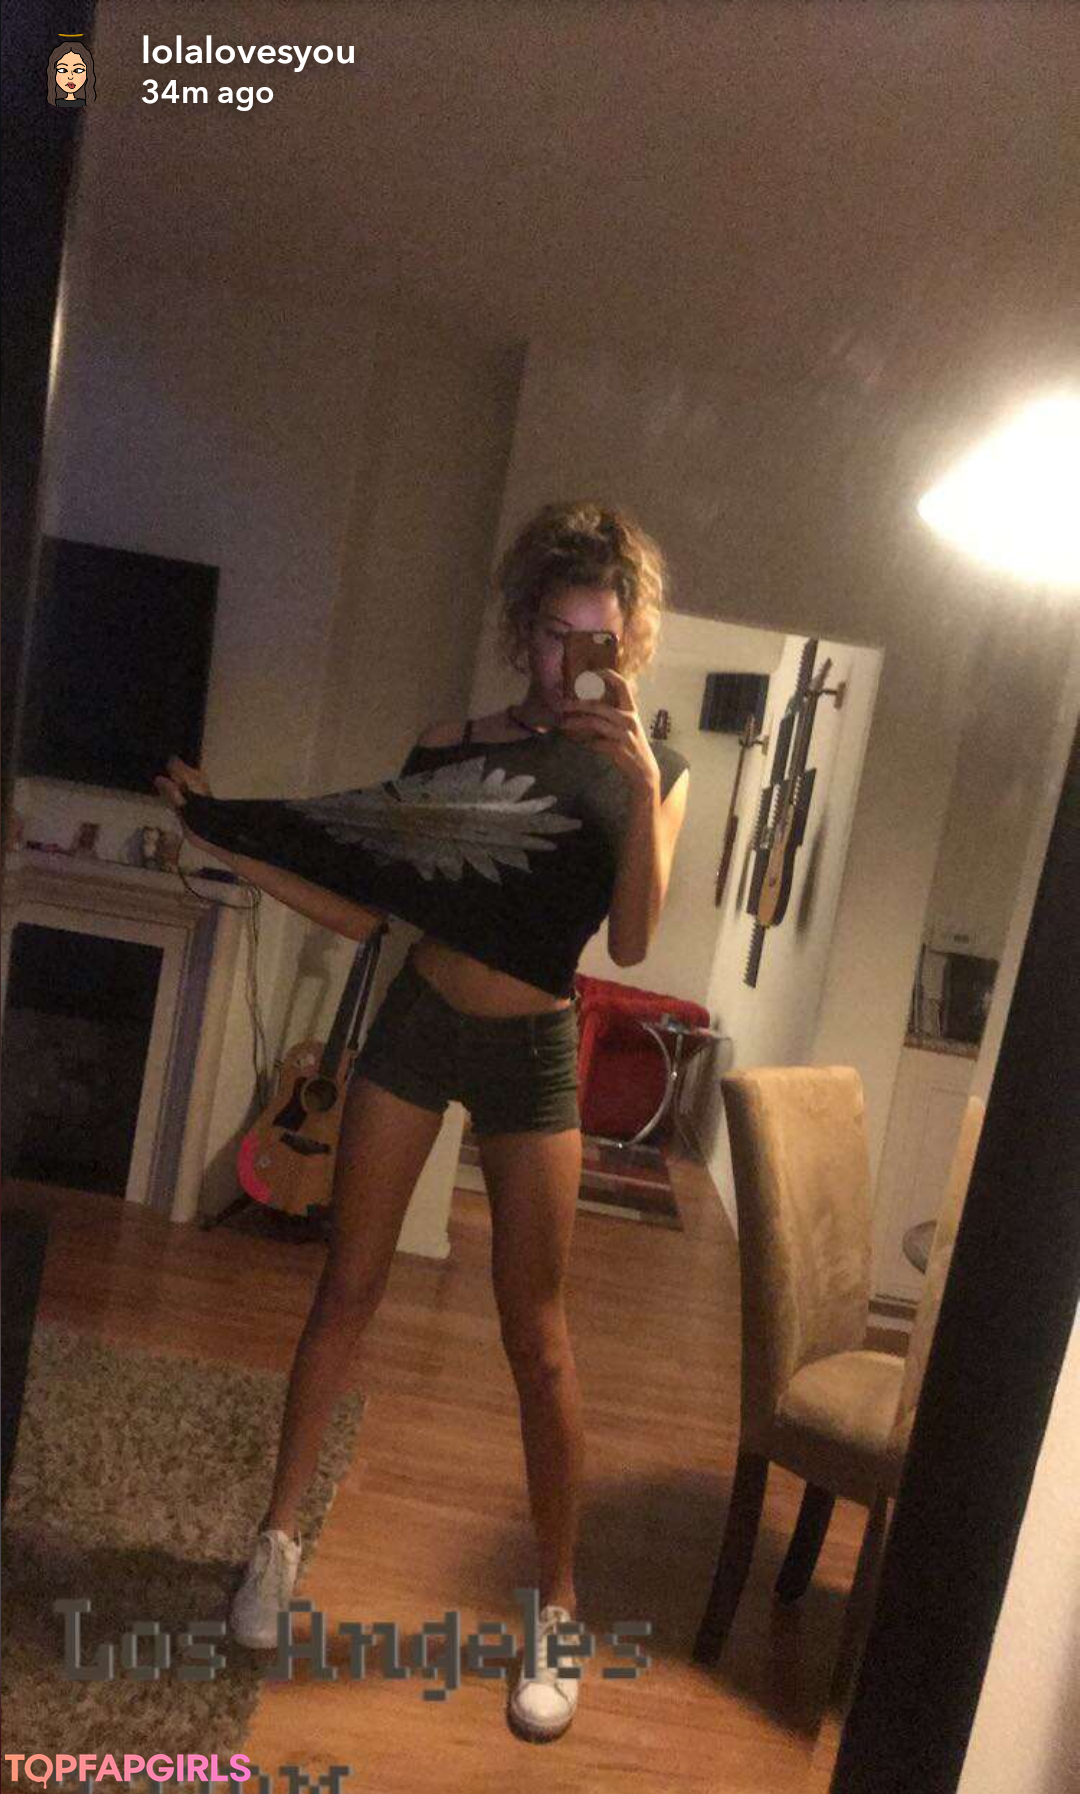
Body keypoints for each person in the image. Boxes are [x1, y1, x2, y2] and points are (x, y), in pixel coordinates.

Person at [155, 499, 690, 1742]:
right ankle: (276, 1545)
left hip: (535, 1052)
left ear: (627, 643)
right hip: (419, 1023)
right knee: (346, 1288)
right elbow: (359, 901)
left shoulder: (650, 777)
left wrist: (639, 777)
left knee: (538, 1339)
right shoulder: (451, 746)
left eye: (597, 640)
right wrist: (224, 835)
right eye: (552, 634)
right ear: (523, 629)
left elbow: (632, 940)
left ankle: (558, 1607)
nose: (571, 661)